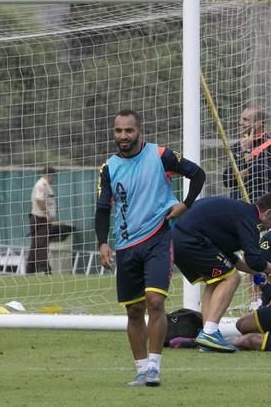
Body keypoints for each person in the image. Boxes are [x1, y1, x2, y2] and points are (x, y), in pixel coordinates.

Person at [95, 109, 206, 387]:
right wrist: (102, 243)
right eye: (118, 130)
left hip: (158, 239)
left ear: (139, 131)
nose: (123, 136)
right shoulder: (108, 168)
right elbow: (102, 209)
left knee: (155, 302)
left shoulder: (161, 155)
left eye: (128, 130)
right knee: (133, 311)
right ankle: (141, 369)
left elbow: (198, 174)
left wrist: (186, 204)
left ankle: (155, 367)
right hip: (126, 246)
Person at [171, 193, 271, 353]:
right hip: (192, 240)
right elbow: (254, 259)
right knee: (232, 278)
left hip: (179, 239)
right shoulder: (251, 220)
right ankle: (210, 333)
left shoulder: (239, 213)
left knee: (215, 280)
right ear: (268, 213)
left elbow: (230, 257)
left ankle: (206, 334)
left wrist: (256, 273)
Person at [222, 106, 271, 203]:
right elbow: (226, 179)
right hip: (237, 205)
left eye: (245, 120)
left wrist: (247, 153)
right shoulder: (237, 146)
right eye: (241, 119)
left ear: (258, 123)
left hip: (261, 207)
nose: (240, 123)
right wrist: (249, 169)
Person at [26, 166, 57, 274]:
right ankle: (45, 269)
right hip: (40, 219)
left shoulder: (45, 184)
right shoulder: (42, 184)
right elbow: (39, 200)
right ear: (49, 175)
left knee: (36, 245)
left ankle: (30, 270)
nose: (52, 177)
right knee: (41, 244)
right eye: (52, 175)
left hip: (40, 218)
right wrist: (47, 214)